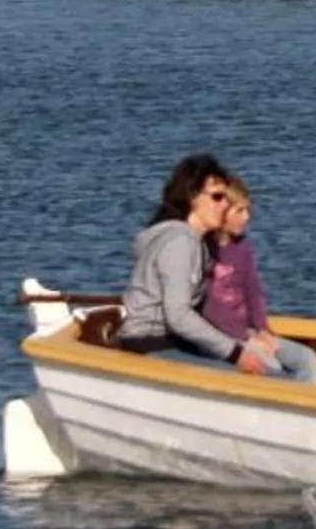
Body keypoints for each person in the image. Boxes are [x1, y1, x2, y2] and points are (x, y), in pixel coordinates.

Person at [115, 153, 292, 378]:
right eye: (217, 197)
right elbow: (178, 316)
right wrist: (235, 353)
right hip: (152, 345)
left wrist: (254, 334)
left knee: (270, 368)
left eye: (226, 197)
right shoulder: (180, 242)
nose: (224, 204)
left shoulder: (197, 243)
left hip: (176, 343)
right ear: (192, 198)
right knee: (271, 377)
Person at [199, 176, 316, 384]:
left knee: (306, 359)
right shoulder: (202, 250)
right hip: (222, 336)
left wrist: (263, 330)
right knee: (271, 366)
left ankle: (309, 402)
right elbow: (210, 308)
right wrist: (248, 338)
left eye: (248, 210)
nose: (247, 217)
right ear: (223, 211)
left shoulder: (242, 246)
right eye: (240, 211)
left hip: (248, 331)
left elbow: (253, 292)